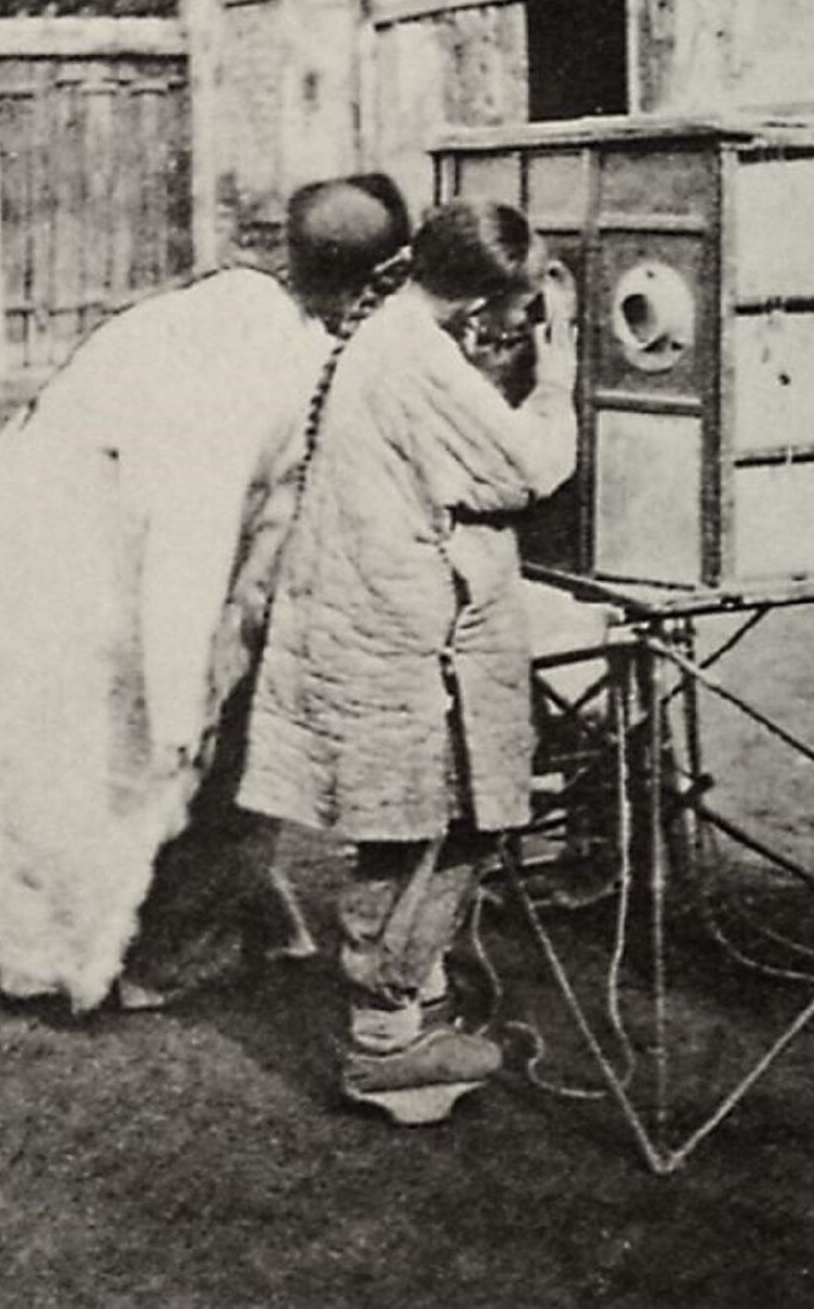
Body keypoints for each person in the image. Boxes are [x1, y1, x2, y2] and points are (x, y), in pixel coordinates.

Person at [0, 175, 411, 1012]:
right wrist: (183, 697)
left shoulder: (237, 305)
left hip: (36, 504)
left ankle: (106, 909)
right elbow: (190, 533)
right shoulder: (259, 361)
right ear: (375, 282)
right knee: (105, 741)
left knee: (35, 731)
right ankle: (89, 943)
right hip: (76, 541)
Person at [234, 199, 578, 1126]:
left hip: (375, 611)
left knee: (412, 816)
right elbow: (531, 468)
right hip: (401, 626)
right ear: (479, 303)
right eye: (522, 305)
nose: (526, 323)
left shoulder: (394, 331)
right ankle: (386, 1041)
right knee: (440, 817)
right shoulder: (418, 358)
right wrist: (561, 374)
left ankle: (407, 1005)